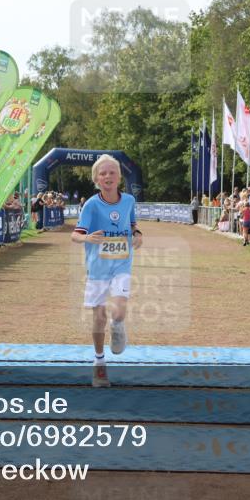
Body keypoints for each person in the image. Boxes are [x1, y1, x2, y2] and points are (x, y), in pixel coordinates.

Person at [71, 154, 142, 388]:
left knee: (119, 311)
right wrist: (87, 238)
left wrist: (138, 234)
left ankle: (118, 326)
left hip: (122, 263)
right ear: (96, 180)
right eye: (103, 173)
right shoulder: (91, 205)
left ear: (119, 177)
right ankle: (99, 363)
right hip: (97, 268)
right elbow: (75, 234)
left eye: (112, 172)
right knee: (99, 317)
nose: (108, 176)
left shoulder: (129, 201)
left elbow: (132, 224)